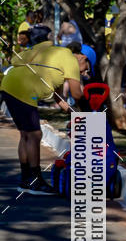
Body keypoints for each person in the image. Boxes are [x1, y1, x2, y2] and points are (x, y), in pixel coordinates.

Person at [0, 40, 82, 193]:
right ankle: (36, 181)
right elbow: (77, 93)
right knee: (35, 134)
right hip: (24, 89)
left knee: (25, 134)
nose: (83, 73)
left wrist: (75, 114)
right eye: (85, 70)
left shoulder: (55, 56)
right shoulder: (71, 59)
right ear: (83, 58)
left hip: (9, 84)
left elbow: (60, 98)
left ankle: (26, 180)